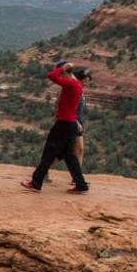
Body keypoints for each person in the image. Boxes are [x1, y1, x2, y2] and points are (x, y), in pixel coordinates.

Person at [21, 60, 90, 193]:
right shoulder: (77, 85)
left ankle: (36, 183)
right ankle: (81, 185)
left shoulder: (71, 84)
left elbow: (51, 76)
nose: (61, 76)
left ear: (65, 72)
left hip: (63, 124)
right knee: (70, 156)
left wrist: (63, 67)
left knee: (49, 152)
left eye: (62, 73)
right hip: (70, 124)